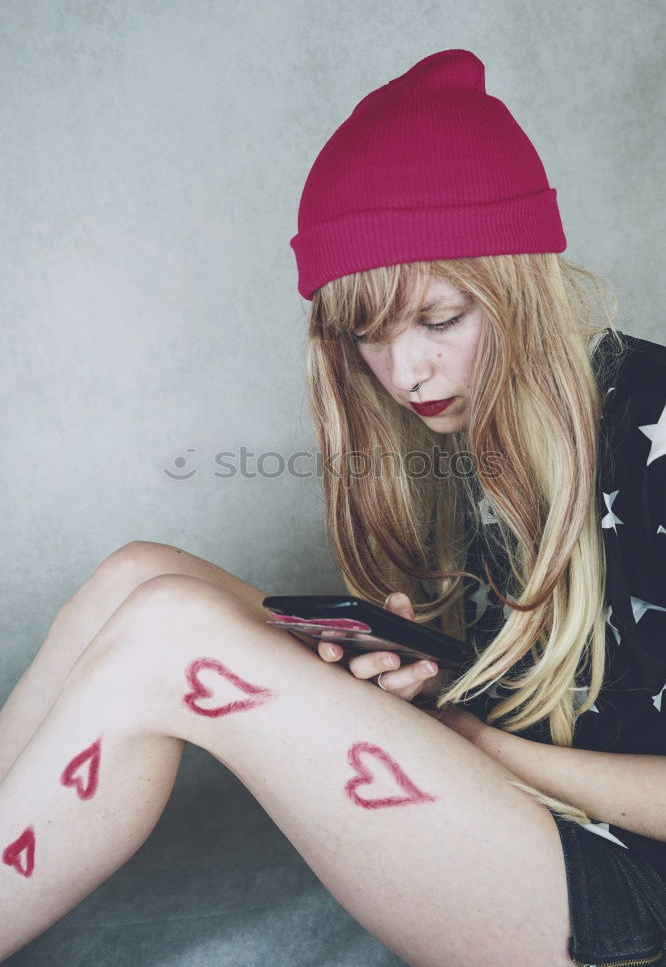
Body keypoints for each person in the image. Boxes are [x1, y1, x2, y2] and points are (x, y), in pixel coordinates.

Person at [0, 48, 664, 967]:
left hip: (629, 897)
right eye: (368, 338)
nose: (405, 375)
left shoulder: (650, 420)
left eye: (439, 320)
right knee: (140, 573)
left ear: (523, 283)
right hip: (538, 819)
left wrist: (474, 743)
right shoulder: (486, 426)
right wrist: (433, 682)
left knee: (171, 632)